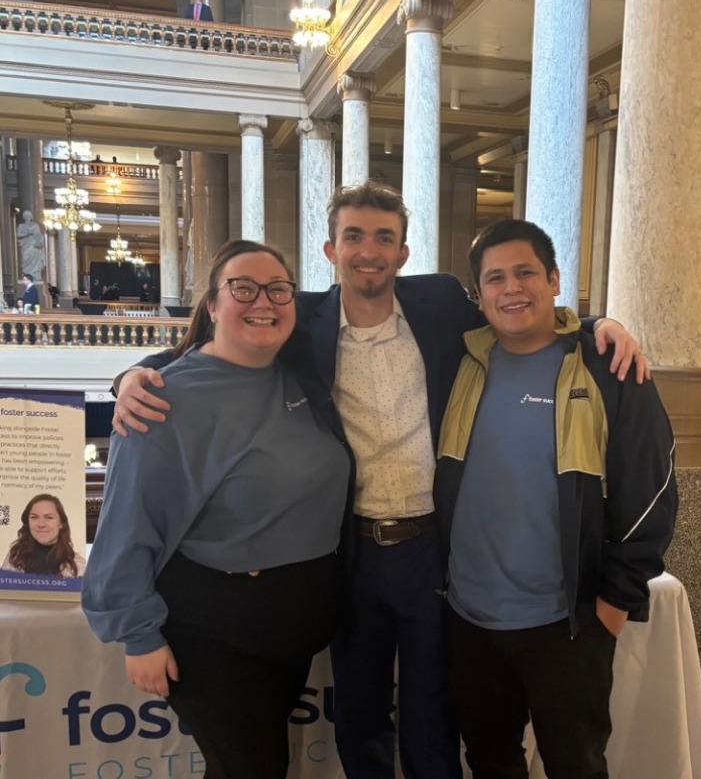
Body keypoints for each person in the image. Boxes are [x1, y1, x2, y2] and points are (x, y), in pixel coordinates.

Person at [112, 182, 647, 779]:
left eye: (384, 238)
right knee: (360, 707)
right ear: (330, 249)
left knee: (432, 708)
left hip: (431, 549)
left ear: (403, 253)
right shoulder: (299, 319)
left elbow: (521, 312)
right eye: (354, 236)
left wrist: (599, 325)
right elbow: (223, 340)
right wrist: (135, 374)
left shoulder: (440, 302)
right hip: (351, 553)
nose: (369, 251)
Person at [83, 240, 350, 779]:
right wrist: (138, 634)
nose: (263, 301)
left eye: (278, 290)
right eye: (243, 288)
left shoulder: (299, 371)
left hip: (291, 626)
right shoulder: (162, 400)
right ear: (211, 304)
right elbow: (129, 522)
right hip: (214, 632)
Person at [434, 219, 677, 779]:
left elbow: (652, 494)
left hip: (567, 624)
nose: (511, 289)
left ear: (554, 279)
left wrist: (612, 608)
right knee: (490, 762)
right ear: (479, 295)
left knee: (576, 766)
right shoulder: (460, 363)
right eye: (495, 278)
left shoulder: (610, 369)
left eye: (525, 273)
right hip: (469, 618)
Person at [1, 494, 86, 577]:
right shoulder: (15, 556)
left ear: (61, 523)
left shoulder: (78, 565)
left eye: (49, 517)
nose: (41, 524)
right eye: (34, 517)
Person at [16, 212, 45, 282]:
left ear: (31, 216)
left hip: (34, 245)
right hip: (25, 245)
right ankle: (26, 276)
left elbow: (38, 235)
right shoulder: (21, 226)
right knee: (25, 259)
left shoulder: (35, 225)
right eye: (26, 216)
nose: (28, 217)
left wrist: (39, 241)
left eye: (29, 215)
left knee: (35, 260)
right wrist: (28, 233)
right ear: (24, 217)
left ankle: (35, 275)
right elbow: (18, 235)